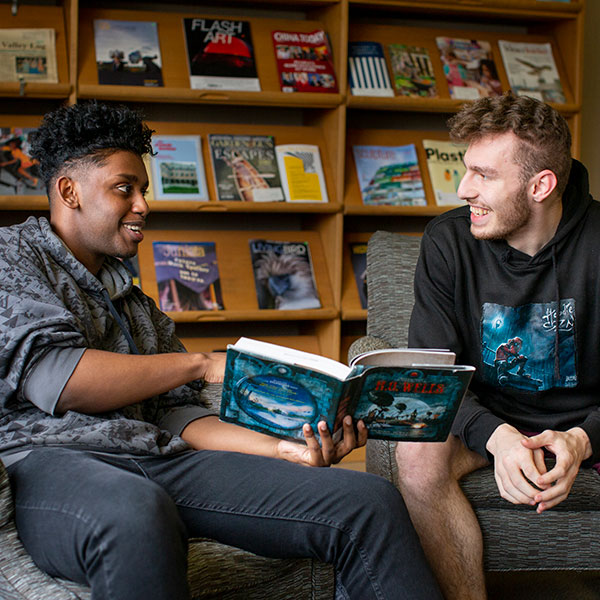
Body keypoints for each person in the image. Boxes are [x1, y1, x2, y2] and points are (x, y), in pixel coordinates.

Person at [0, 101, 442, 600]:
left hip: (159, 457)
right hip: (51, 463)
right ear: (69, 190)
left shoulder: (134, 299)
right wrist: (201, 363)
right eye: (125, 188)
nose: (143, 204)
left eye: (143, 190)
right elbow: (57, 379)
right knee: (137, 512)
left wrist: (283, 451)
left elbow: (178, 415)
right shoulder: (14, 256)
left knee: (369, 501)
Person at [394, 92, 600, 599]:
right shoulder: (447, 242)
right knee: (417, 452)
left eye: (484, 175)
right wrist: (496, 435)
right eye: (467, 170)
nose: (464, 190)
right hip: (489, 416)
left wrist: (582, 438)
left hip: (590, 420)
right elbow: (431, 381)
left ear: (541, 185)